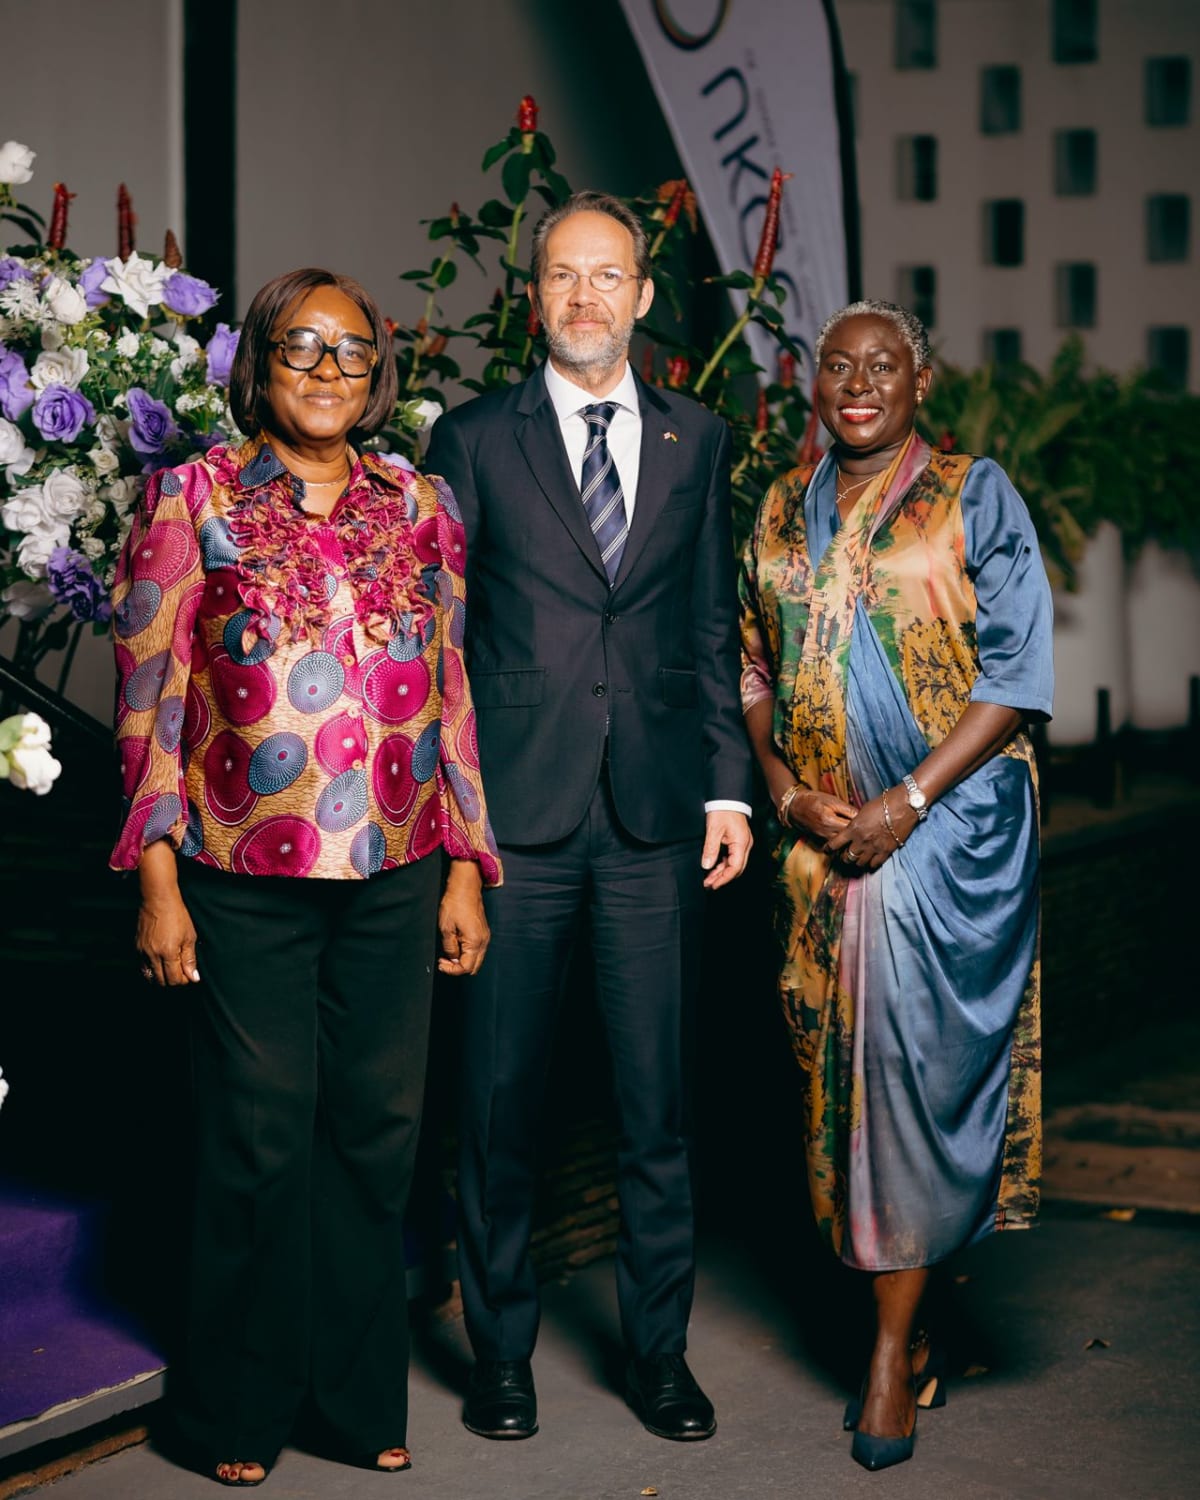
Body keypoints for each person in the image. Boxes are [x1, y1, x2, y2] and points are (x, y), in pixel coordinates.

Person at [110, 267, 500, 1487]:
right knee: (259, 1140)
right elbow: (145, 702)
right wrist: (157, 878)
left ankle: (350, 1398)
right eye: (303, 347)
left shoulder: (420, 499)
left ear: (376, 371)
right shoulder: (190, 494)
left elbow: (453, 696)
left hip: (397, 867)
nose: (329, 371)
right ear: (260, 364)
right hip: (240, 874)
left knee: (378, 1141)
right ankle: (236, 1410)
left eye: (352, 350)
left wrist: (466, 869)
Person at [425, 191, 753, 1444]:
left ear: (643, 296)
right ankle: (500, 1358)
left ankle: (658, 1357)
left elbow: (710, 630)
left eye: (605, 276)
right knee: (497, 1107)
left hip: (660, 820)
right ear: (535, 294)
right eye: (561, 275)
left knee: (656, 1108)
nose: (582, 298)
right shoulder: (473, 438)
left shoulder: (699, 438)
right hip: (515, 819)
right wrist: (455, 822)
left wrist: (728, 784)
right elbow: (442, 649)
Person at [738, 300, 1052, 1472]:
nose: (857, 382)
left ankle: (888, 1355)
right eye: (837, 365)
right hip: (821, 842)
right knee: (844, 1081)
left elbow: (1017, 674)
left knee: (913, 1081)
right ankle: (912, 1309)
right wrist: (781, 789)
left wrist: (905, 803)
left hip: (946, 837)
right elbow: (751, 662)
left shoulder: (975, 495)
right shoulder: (779, 505)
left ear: (922, 380)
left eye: (883, 365)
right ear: (812, 383)